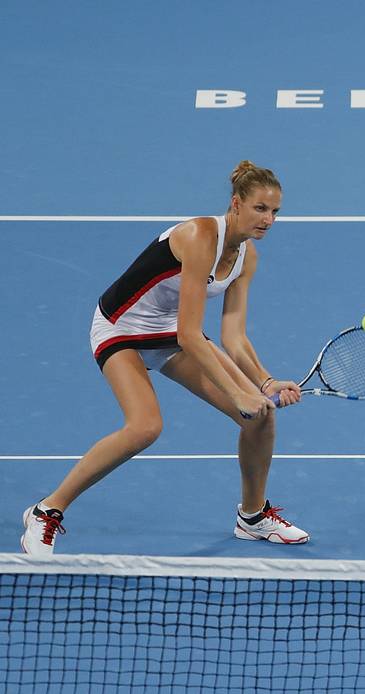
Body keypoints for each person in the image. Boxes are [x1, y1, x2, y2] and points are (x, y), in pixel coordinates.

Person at [20, 160, 309, 555]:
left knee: (262, 417)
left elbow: (233, 336)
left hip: (168, 331)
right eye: (261, 208)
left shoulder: (248, 257)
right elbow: (191, 335)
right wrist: (238, 395)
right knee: (144, 426)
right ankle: (46, 510)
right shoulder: (200, 237)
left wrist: (265, 382)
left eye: (275, 211)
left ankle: (253, 516)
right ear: (236, 204)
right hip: (121, 327)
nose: (269, 219)